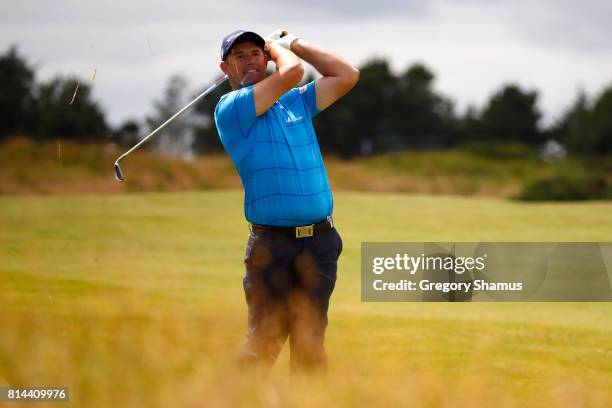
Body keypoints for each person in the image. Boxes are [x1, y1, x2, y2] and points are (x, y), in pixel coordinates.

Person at [214, 29, 359, 372]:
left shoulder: (296, 102)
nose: (251, 60)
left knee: (310, 345)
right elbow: (292, 72)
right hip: (272, 247)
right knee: (264, 342)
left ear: (265, 58)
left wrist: (294, 43)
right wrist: (278, 50)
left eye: (255, 53)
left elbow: (346, 75)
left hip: (320, 243)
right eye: (241, 56)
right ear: (226, 68)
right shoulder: (231, 109)